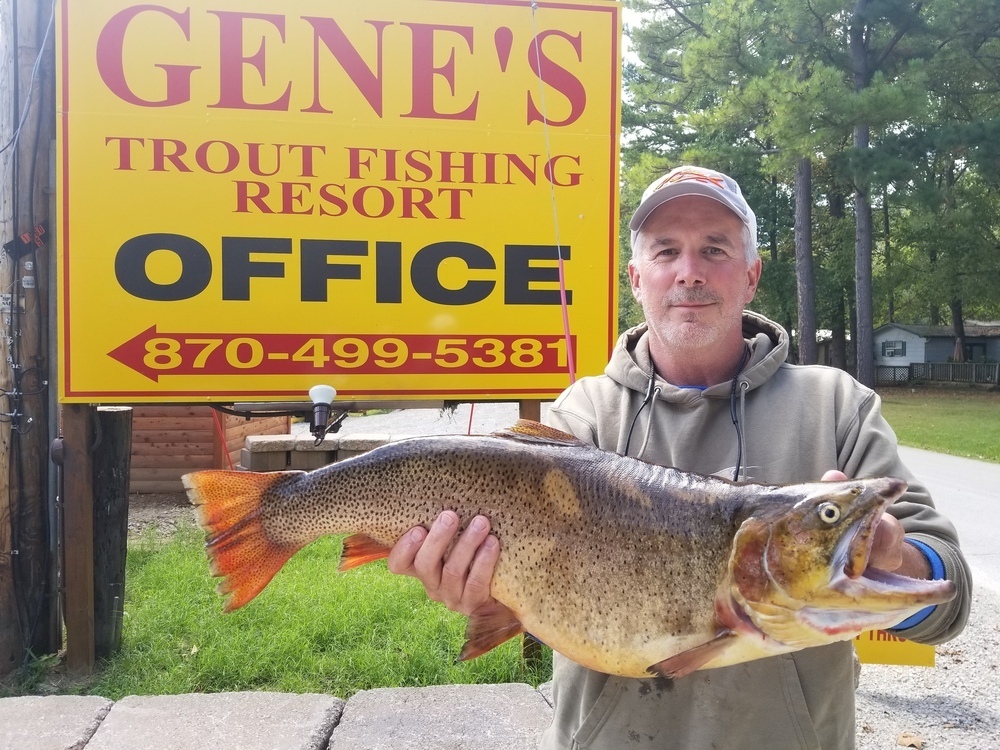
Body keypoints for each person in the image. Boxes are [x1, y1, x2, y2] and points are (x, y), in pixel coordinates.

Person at [387, 165, 972, 749]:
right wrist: (473, 584)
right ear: (636, 279)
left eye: (714, 249)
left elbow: (950, 598)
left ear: (751, 274)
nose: (689, 273)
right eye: (667, 251)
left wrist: (900, 563)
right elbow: (515, 589)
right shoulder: (583, 416)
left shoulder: (836, 405)